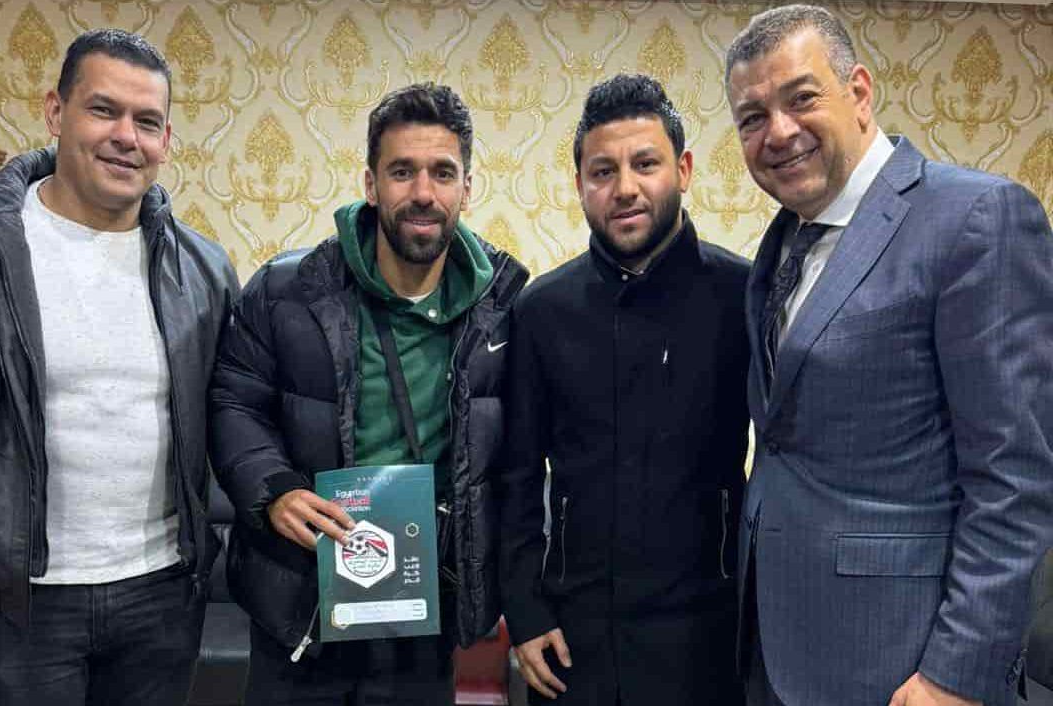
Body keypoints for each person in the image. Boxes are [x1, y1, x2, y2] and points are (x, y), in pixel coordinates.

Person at [0, 28, 238, 706]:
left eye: (147, 121)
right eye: (103, 110)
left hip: (163, 599)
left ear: (167, 140)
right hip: (13, 608)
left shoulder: (201, 268)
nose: (126, 136)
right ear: (56, 112)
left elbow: (237, 412)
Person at [725, 5, 1053, 705]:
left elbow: (1014, 477)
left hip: (902, 664)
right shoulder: (783, 241)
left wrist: (956, 673)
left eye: (801, 98)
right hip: (774, 647)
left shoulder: (976, 219)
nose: (777, 132)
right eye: (752, 118)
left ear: (860, 92)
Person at [208, 82, 527, 705]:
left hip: (423, 609)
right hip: (302, 603)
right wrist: (274, 490)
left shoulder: (505, 308)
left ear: (467, 188)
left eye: (442, 173)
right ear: (371, 184)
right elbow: (233, 401)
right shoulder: (285, 289)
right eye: (402, 171)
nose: (423, 193)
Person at [498, 73, 749, 705]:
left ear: (683, 170)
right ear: (579, 184)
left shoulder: (743, 296)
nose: (625, 188)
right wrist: (525, 612)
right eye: (603, 171)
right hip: (572, 643)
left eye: (645, 164)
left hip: (709, 636)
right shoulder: (542, 310)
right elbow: (516, 477)